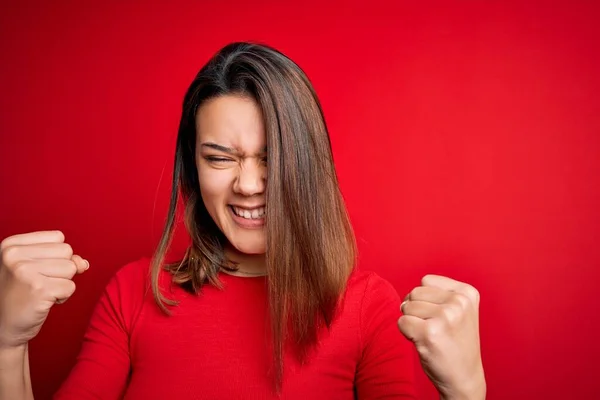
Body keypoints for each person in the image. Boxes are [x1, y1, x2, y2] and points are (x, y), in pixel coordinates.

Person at [0, 42, 486, 399]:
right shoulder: (132, 293)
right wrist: (7, 342)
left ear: (307, 164)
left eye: (271, 157)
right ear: (192, 167)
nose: (249, 185)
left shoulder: (367, 307)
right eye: (219, 158)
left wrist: (466, 392)